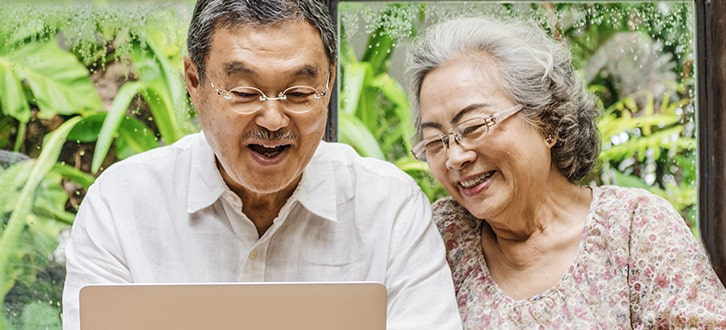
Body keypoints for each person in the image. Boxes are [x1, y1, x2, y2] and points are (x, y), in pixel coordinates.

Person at [61, 1, 462, 329]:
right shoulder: (121, 205)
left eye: (300, 91)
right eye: (244, 91)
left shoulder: (389, 207)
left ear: (330, 82)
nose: (273, 120)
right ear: (194, 82)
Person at [405, 16, 726, 328]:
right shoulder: (442, 238)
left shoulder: (634, 229)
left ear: (547, 121)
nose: (454, 158)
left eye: (474, 126)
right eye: (435, 142)